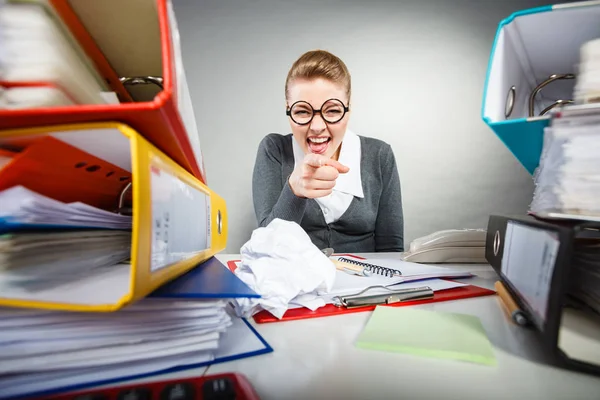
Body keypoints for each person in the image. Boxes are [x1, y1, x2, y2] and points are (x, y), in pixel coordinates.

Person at [252, 49, 404, 252]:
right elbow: (266, 248)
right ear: (288, 109)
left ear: (348, 109)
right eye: (302, 111)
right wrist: (294, 191)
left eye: (332, 110)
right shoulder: (274, 150)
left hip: (366, 282)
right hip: (296, 282)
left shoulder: (379, 155)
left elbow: (391, 251)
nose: (316, 126)